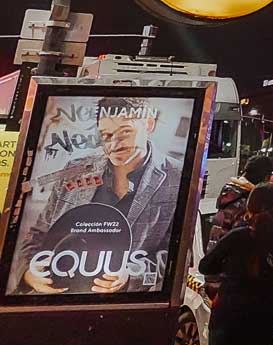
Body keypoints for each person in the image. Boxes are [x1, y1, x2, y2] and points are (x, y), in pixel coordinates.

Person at [18, 96, 184, 295]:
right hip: (58, 299)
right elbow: (38, 234)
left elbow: (177, 256)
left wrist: (132, 276)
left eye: (126, 132)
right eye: (106, 134)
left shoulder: (178, 177)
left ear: (149, 124)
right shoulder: (76, 169)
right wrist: (28, 273)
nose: (114, 144)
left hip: (125, 308)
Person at [199, 183, 273, 345]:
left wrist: (228, 267)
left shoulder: (237, 236)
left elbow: (206, 266)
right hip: (264, 317)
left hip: (229, 315)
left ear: (250, 205)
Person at [205, 155, 273, 298]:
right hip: (230, 282)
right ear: (265, 177)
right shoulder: (247, 203)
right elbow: (244, 247)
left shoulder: (230, 195)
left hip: (216, 276)